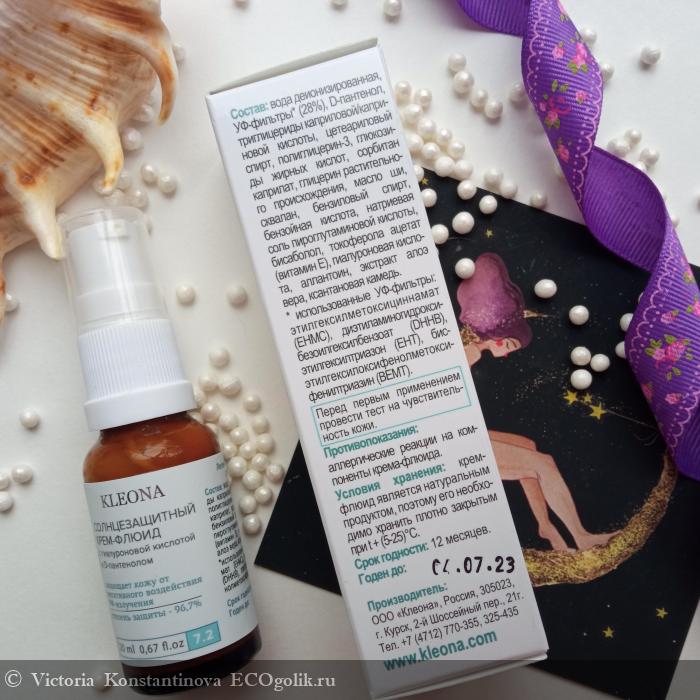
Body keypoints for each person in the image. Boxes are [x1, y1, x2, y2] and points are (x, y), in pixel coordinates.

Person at [457, 253, 618, 551]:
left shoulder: (471, 350)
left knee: (528, 446)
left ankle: (546, 528)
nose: (507, 353)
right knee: (543, 463)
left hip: (459, 432)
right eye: (511, 345)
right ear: (499, 336)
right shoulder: (469, 353)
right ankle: (581, 537)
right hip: (452, 443)